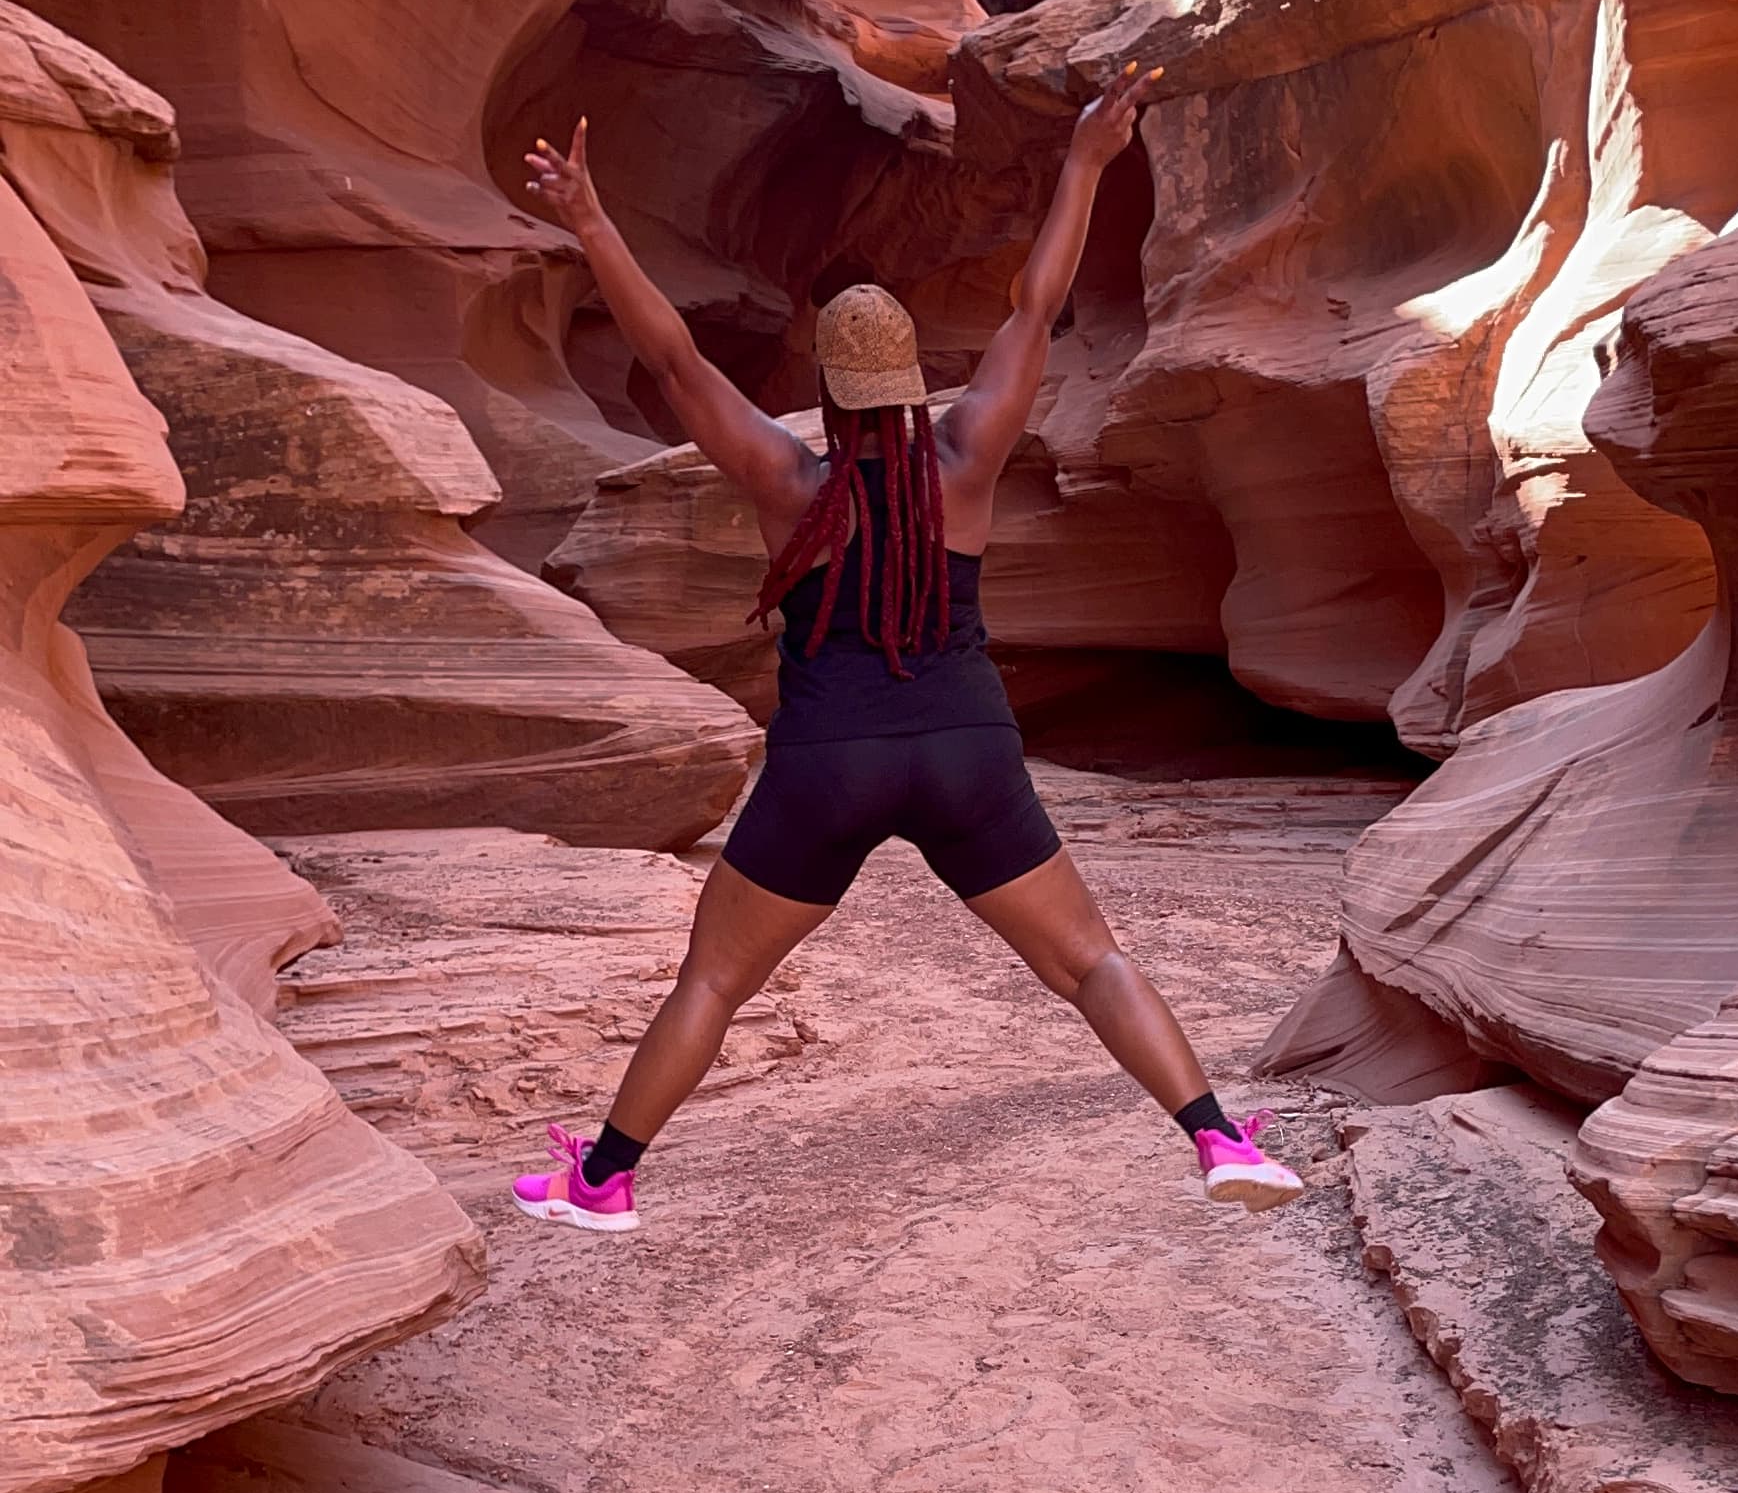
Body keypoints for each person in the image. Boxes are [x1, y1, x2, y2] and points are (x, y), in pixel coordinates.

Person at [511, 68, 1304, 1235]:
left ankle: (605, 1180)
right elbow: (1033, 312)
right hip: (967, 752)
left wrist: (588, 222)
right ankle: (1219, 1139)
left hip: (828, 760)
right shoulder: (965, 461)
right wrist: (1085, 162)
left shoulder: (790, 482)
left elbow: (677, 363)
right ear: (910, 384)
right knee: (1089, 963)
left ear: (829, 396)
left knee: (716, 981)